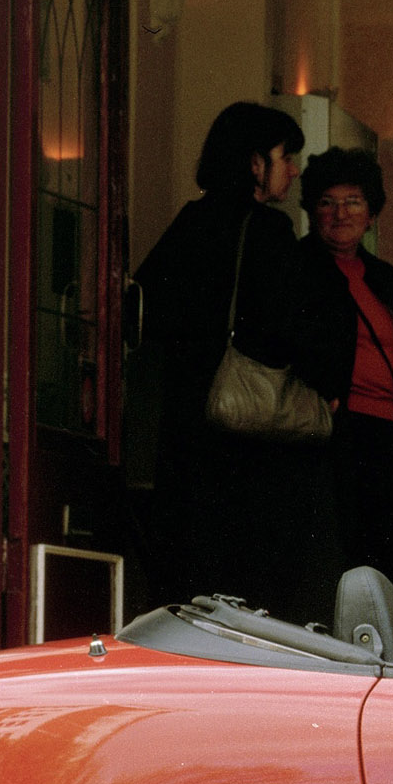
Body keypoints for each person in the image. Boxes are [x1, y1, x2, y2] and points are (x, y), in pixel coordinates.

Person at [132, 101, 338, 621]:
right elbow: (290, 326)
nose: (292, 169)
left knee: (191, 586)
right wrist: (324, 383)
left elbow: (144, 309)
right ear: (254, 164)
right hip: (248, 439)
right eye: (285, 156)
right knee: (251, 589)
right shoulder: (267, 230)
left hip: (184, 431)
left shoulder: (187, 221)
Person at [298, 147, 393, 587]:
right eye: (327, 202)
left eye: (353, 202)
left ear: (371, 213)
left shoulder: (384, 276)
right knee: (340, 557)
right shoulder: (297, 268)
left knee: (389, 556)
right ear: (312, 210)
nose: (340, 213)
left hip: (390, 438)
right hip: (334, 434)